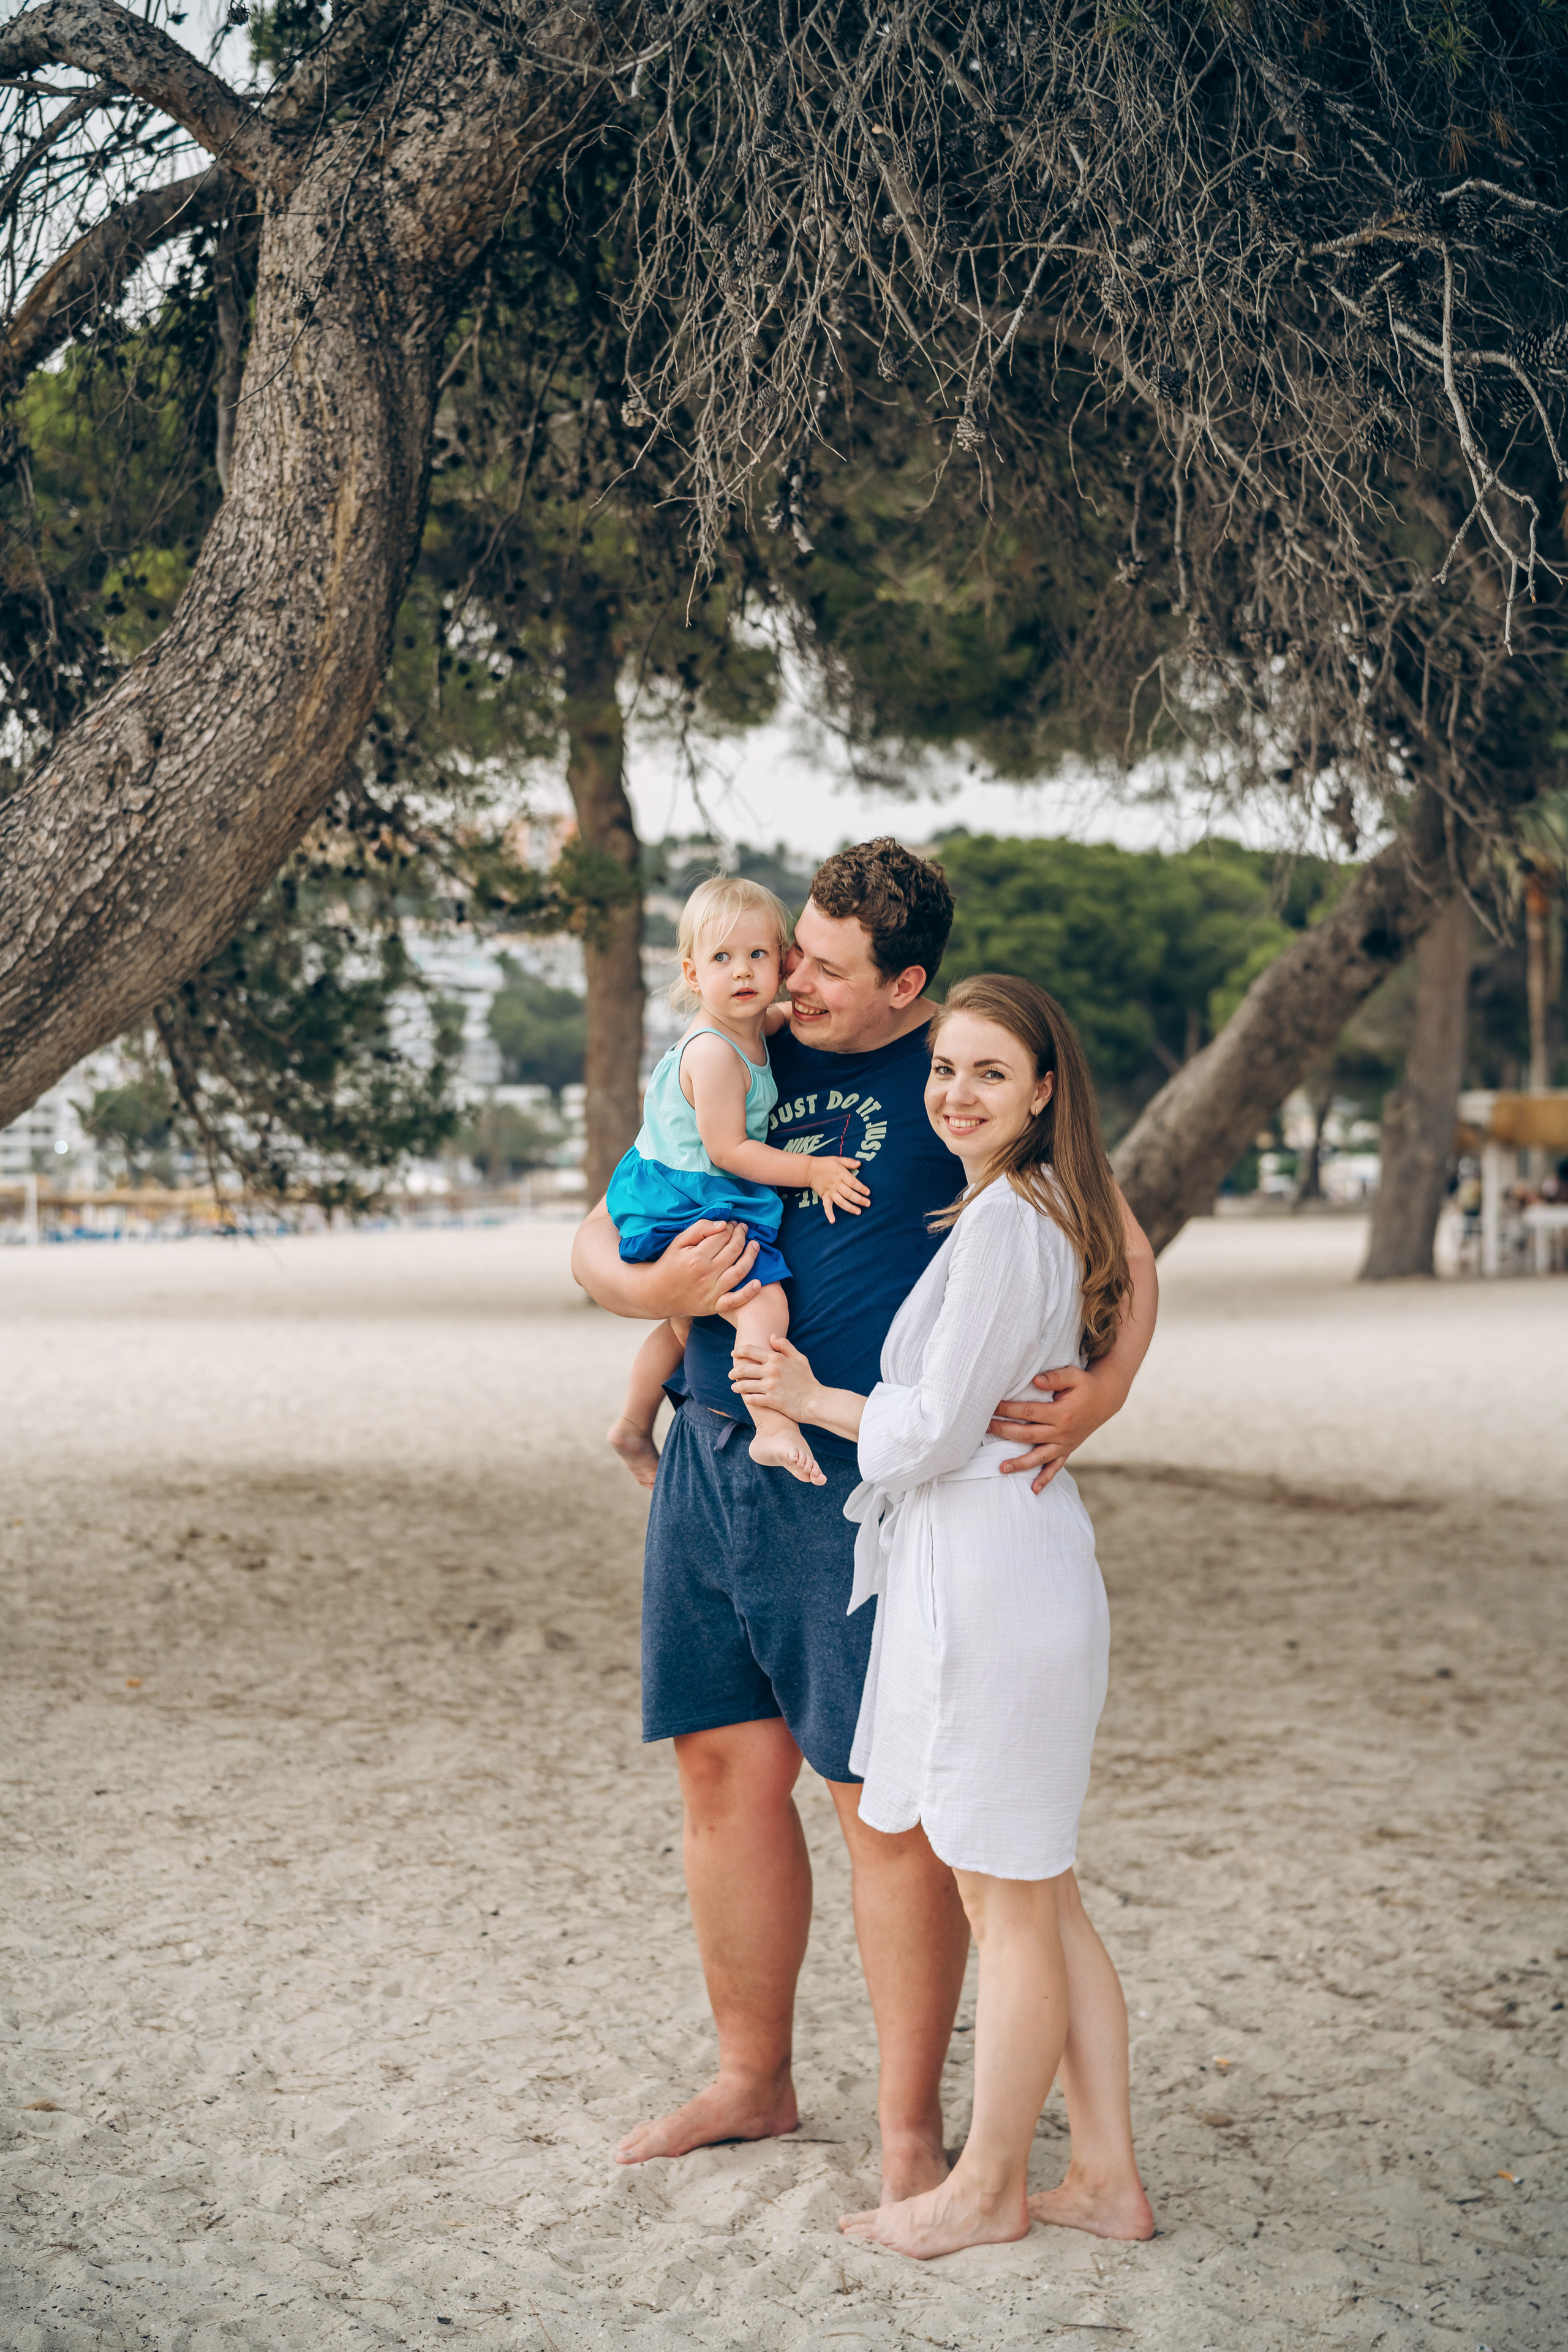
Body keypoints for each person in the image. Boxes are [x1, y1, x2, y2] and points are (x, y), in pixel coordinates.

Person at [570, 839, 1158, 2204]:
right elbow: (606, 1233)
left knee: (875, 1806)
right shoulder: (736, 1044)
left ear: (908, 984)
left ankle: (905, 2125)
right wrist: (631, 1290)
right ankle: (752, 2079)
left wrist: (1100, 1397)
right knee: (719, 1774)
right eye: (787, 958)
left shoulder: (953, 1081)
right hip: (711, 1450)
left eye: (824, 968)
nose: (789, 984)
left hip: (857, 1483)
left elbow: (1115, 1251)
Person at [733, 974, 1153, 2257]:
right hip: (990, 1569)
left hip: (990, 1585)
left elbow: (922, 1436)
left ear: (1041, 1091)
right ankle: (1104, 2179)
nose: (953, 1094)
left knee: (1007, 1901)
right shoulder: (1009, 1213)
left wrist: (809, 1394)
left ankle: (984, 2190)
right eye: (941, 1072)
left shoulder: (1011, 1224)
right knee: (1042, 1894)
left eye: (985, 1073)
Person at [605, 874, 869, 1488]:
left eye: (758, 955)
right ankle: (772, 1426)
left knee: (685, 1323)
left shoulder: (752, 1028)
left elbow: (778, 1019)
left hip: (675, 1184)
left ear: (782, 962)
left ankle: (632, 1421)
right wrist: (811, 1170)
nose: (743, 972)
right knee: (762, 1301)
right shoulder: (715, 1054)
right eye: (722, 959)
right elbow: (731, 1148)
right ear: (694, 975)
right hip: (687, 1192)